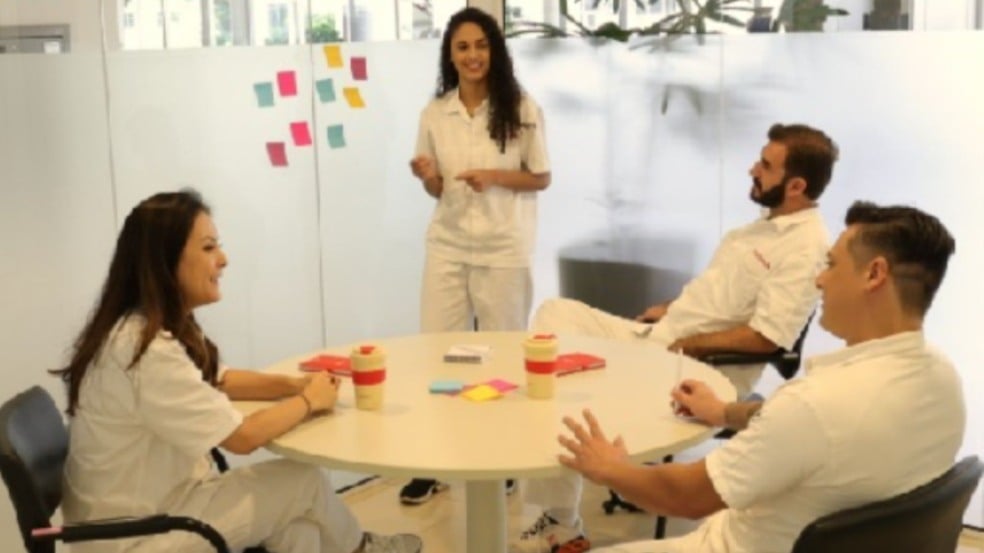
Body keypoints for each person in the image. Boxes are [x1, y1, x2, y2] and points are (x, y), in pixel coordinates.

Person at [558, 201, 964, 553]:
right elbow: (815, 429)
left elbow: (684, 497)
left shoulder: (814, 405)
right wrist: (723, 412)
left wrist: (612, 468)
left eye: (832, 264)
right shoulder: (943, 381)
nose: (820, 279)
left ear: (874, 274)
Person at [512, 123, 838, 553]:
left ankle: (560, 525)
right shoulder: (763, 228)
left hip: (700, 369)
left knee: (566, 388)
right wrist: (669, 310)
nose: (752, 169)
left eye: (765, 165)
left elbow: (768, 339)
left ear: (796, 186)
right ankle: (554, 496)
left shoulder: (805, 247)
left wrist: (693, 344)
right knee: (556, 315)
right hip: (662, 338)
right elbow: (718, 296)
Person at [54, 191, 423, 553]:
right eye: (208, 248)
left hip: (155, 509)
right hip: (137, 535)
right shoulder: (146, 350)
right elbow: (242, 438)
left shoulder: (148, 327)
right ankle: (363, 549)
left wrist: (294, 385)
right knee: (303, 482)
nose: (223, 259)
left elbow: (221, 379)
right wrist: (309, 401)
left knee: (298, 528)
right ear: (165, 259)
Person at [403, 6, 551, 505]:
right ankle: (437, 458)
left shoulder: (521, 107)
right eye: (463, 47)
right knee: (438, 350)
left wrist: (494, 176)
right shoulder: (435, 112)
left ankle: (500, 455)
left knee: (501, 352)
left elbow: (541, 176)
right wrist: (428, 177)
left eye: (481, 46)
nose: (472, 56)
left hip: (503, 246)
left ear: (495, 51)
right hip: (447, 244)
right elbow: (437, 188)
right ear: (450, 55)